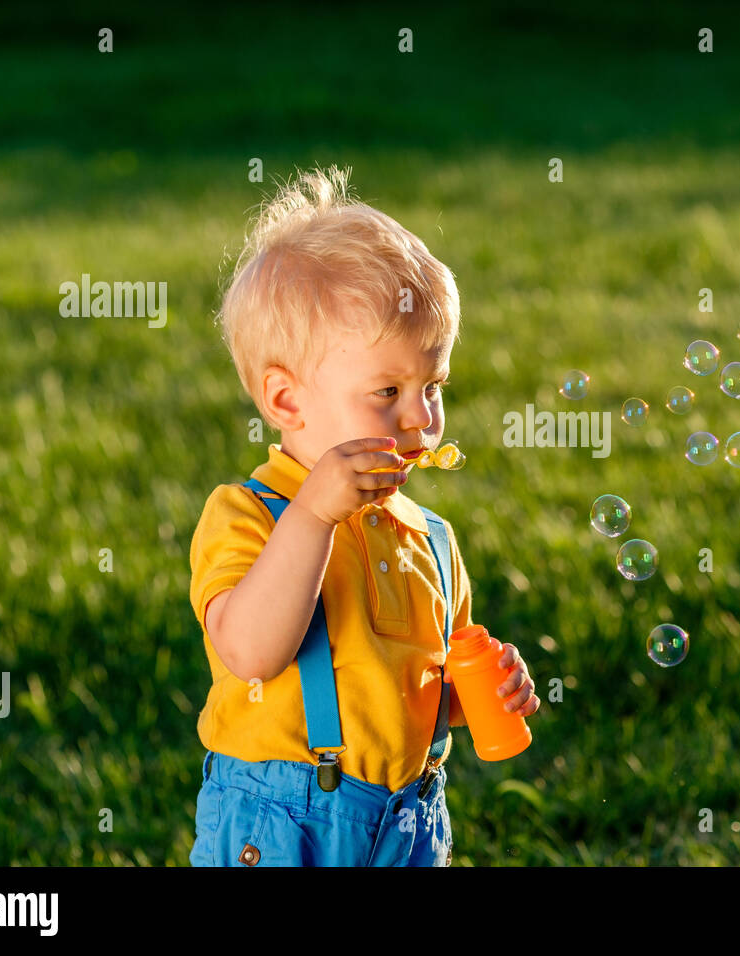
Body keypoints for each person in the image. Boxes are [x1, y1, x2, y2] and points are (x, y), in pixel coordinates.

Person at [187, 165, 538, 866]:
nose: (422, 420)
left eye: (432, 385)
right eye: (388, 391)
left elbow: (408, 692)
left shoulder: (429, 537)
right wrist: (314, 514)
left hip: (408, 818)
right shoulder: (249, 515)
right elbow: (252, 651)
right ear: (287, 403)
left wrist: (475, 695)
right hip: (289, 820)